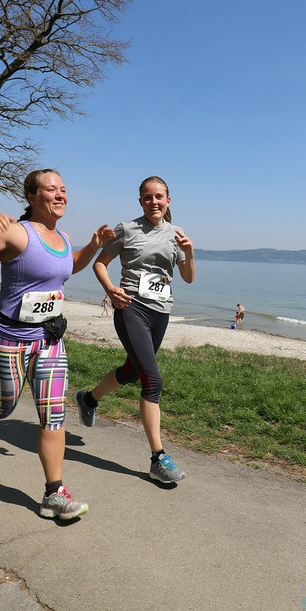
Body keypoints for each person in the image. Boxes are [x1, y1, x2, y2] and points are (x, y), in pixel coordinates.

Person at [0, 169, 113, 519]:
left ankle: (54, 492)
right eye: (51, 189)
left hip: (49, 339)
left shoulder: (63, 237)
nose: (60, 195)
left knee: (54, 414)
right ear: (31, 197)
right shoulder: (14, 232)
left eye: (64, 189)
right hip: (8, 338)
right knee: (1, 407)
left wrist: (94, 246)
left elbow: (68, 266)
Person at [74, 176, 195, 484]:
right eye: (147, 197)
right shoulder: (127, 229)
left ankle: (89, 399)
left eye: (159, 197)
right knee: (152, 381)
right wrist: (111, 289)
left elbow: (188, 277)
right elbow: (100, 263)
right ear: (141, 201)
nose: (154, 202)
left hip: (161, 312)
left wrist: (190, 254)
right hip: (131, 308)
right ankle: (158, 458)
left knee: (131, 371)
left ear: (169, 200)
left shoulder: (176, 234)